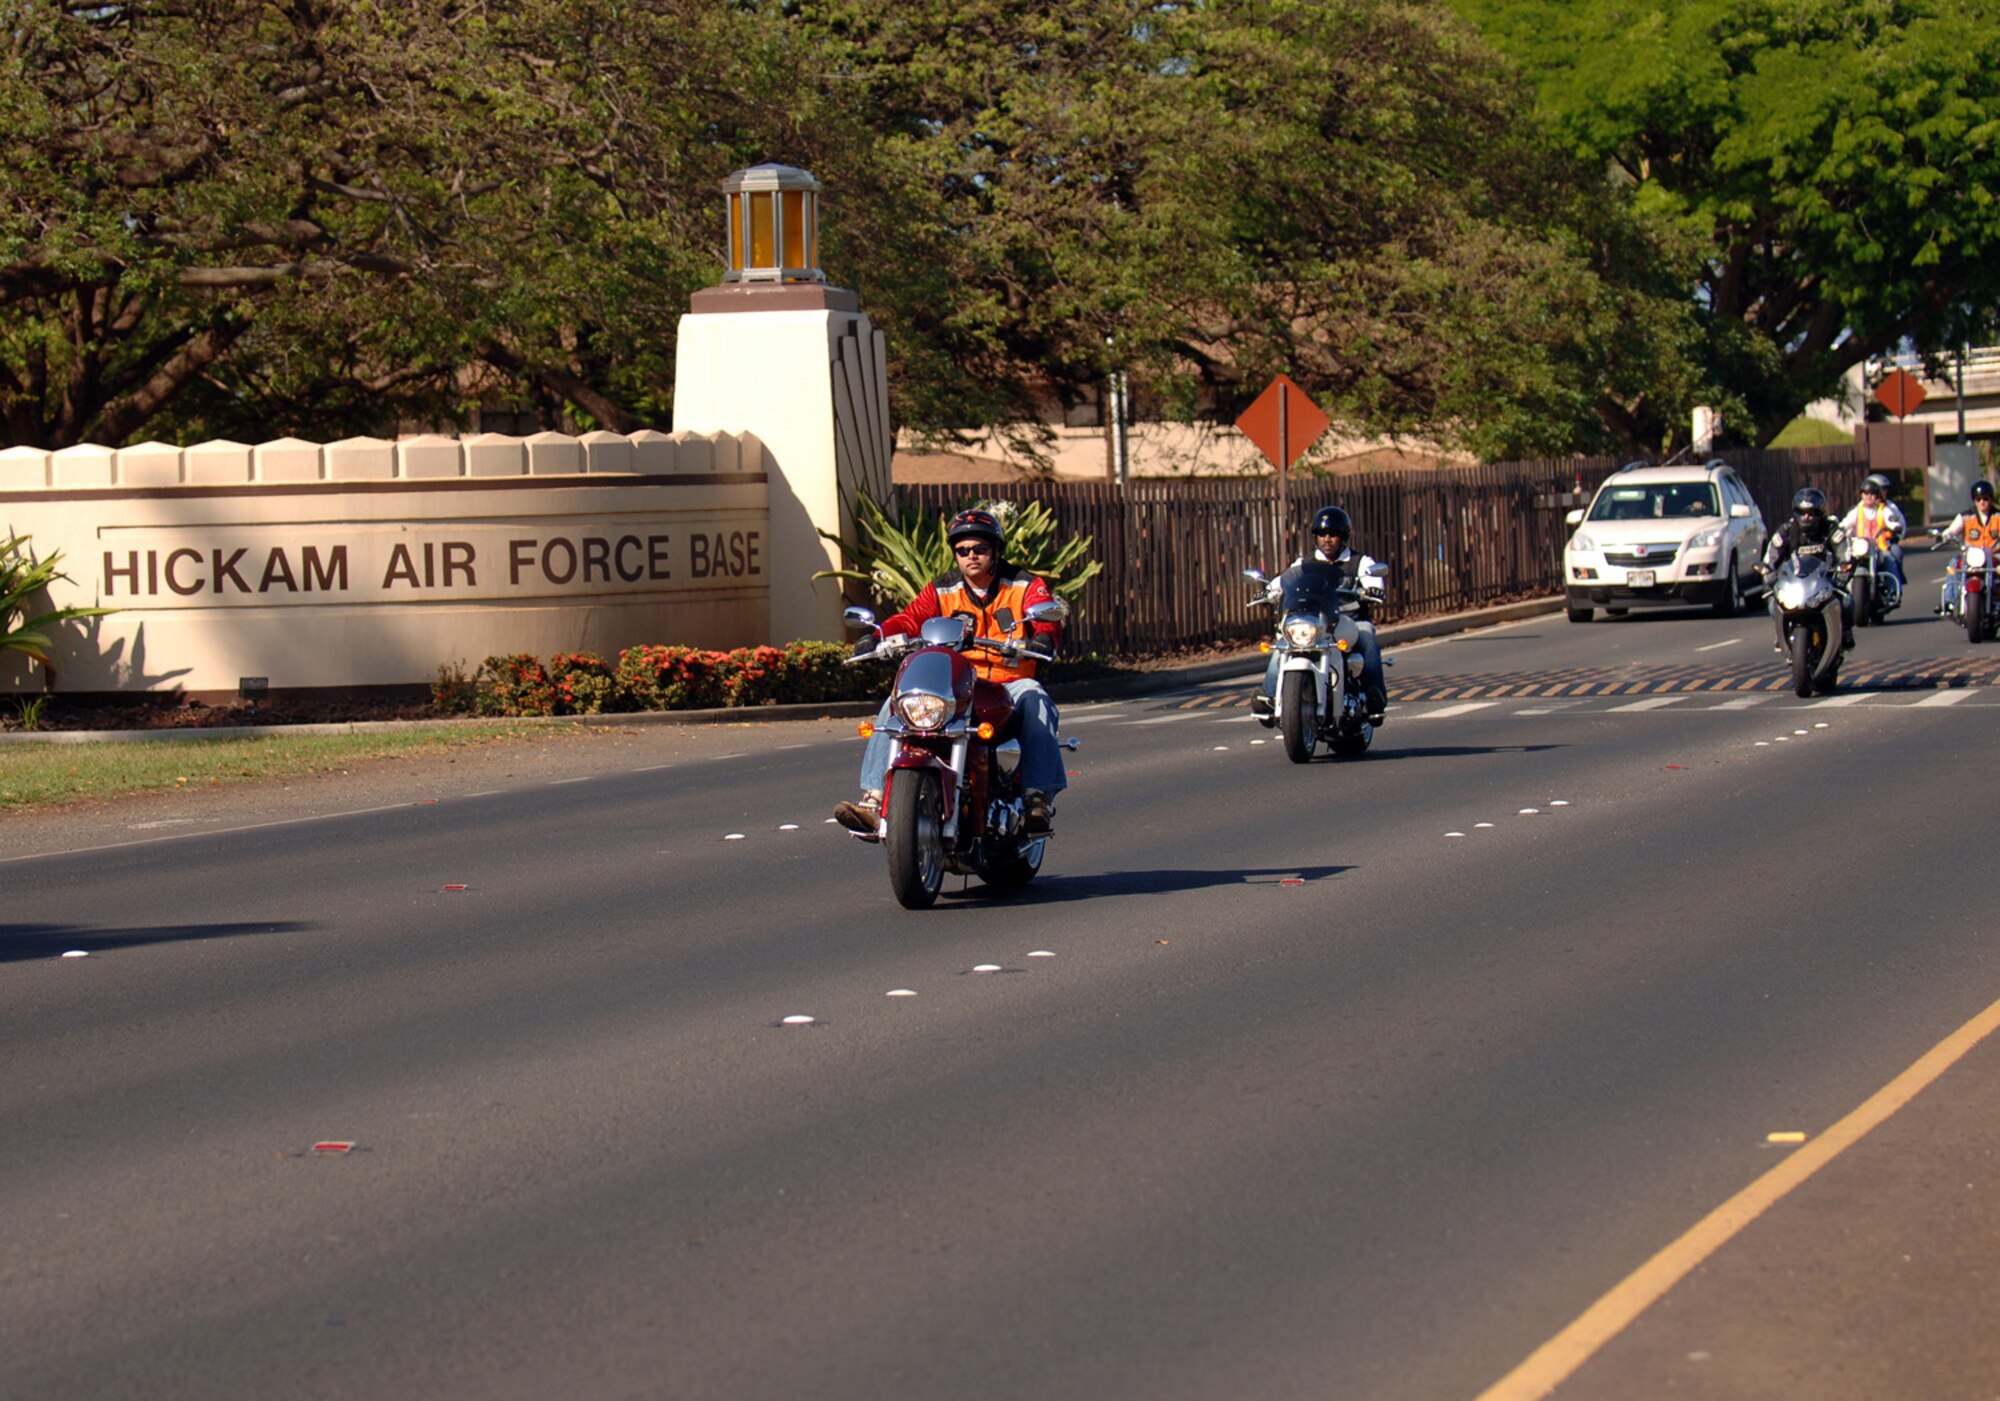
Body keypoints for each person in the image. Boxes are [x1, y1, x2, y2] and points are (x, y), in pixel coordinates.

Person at [834, 508, 1067, 838]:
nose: (971, 556)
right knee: (896, 704)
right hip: (958, 681)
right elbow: (910, 618)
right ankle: (873, 801)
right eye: (963, 550)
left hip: (1008, 680)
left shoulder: (1025, 584)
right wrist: (877, 636)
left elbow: (1045, 616)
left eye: (980, 549)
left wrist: (1043, 635)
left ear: (995, 550)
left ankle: (1037, 799)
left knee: (1037, 700)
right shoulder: (942, 589)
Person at [1250, 504, 1387, 726]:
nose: (1327, 539)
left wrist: (1372, 589)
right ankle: (1269, 697)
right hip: (1315, 622)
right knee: (1283, 643)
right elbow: (1283, 581)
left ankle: (1374, 700)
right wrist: (1267, 591)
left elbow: (1373, 580)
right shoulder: (1304, 563)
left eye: (1332, 534)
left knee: (1367, 636)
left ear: (1343, 536)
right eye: (1322, 534)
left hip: (1348, 620)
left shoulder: (1360, 562)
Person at [1760, 486, 1851, 652]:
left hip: (1824, 582)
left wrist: (1843, 569)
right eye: (1802, 513)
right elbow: (1771, 556)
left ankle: (1844, 632)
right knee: (1773, 603)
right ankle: (1781, 633)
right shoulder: (1786, 531)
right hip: (1795, 584)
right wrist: (1768, 572)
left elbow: (1844, 552)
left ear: (1819, 513)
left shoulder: (1831, 530)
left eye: (1811, 513)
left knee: (1847, 601)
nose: (1806, 517)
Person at [1934, 479, 2000, 616]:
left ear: (1991, 499)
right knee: (1954, 564)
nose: (1982, 502)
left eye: (1985, 498)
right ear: (1974, 500)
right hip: (1972, 556)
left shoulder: (1998, 516)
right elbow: (1952, 530)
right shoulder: (1965, 516)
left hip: (1995, 555)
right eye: (1978, 499)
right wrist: (1944, 536)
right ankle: (1949, 603)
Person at [1839, 472, 1906, 586]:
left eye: (1872, 493)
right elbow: (1845, 525)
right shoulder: (1856, 510)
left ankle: (1893, 589)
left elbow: (1895, 522)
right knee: (1844, 562)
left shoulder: (1885, 509)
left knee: (1890, 559)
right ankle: (1844, 589)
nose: (1869, 496)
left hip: (1879, 547)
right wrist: (1837, 529)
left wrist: (1895, 528)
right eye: (1866, 493)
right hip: (1860, 549)